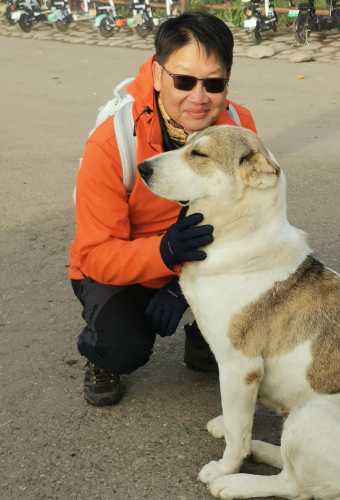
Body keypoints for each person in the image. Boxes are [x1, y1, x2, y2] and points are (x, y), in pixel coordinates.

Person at [68, 12, 257, 407]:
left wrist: (177, 286)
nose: (199, 97)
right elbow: (95, 254)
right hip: (123, 265)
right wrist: (164, 254)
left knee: (266, 277)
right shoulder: (112, 142)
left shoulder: (237, 126)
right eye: (184, 80)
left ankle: (203, 337)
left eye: (214, 83)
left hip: (196, 256)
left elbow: (247, 213)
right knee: (123, 346)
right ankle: (100, 353)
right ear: (157, 75)